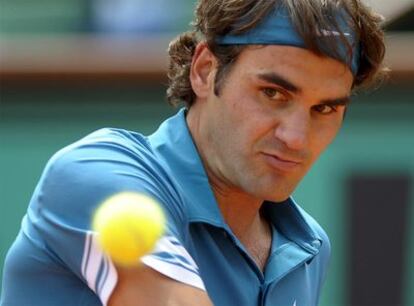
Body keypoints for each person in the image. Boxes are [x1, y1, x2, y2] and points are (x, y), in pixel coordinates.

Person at [1, 0, 386, 305]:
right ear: (204, 70)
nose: (297, 138)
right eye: (273, 94)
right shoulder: (92, 177)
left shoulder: (308, 248)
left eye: (325, 109)